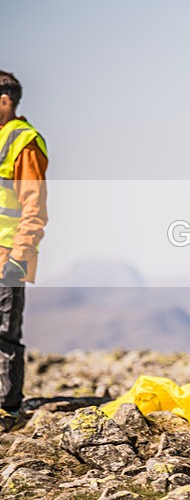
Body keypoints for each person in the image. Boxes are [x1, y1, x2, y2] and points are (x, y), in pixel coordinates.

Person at [0, 70, 49, 431]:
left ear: (5, 101)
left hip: (7, 255)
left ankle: (7, 411)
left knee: (3, 334)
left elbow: (34, 206)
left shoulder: (23, 142)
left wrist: (20, 255)